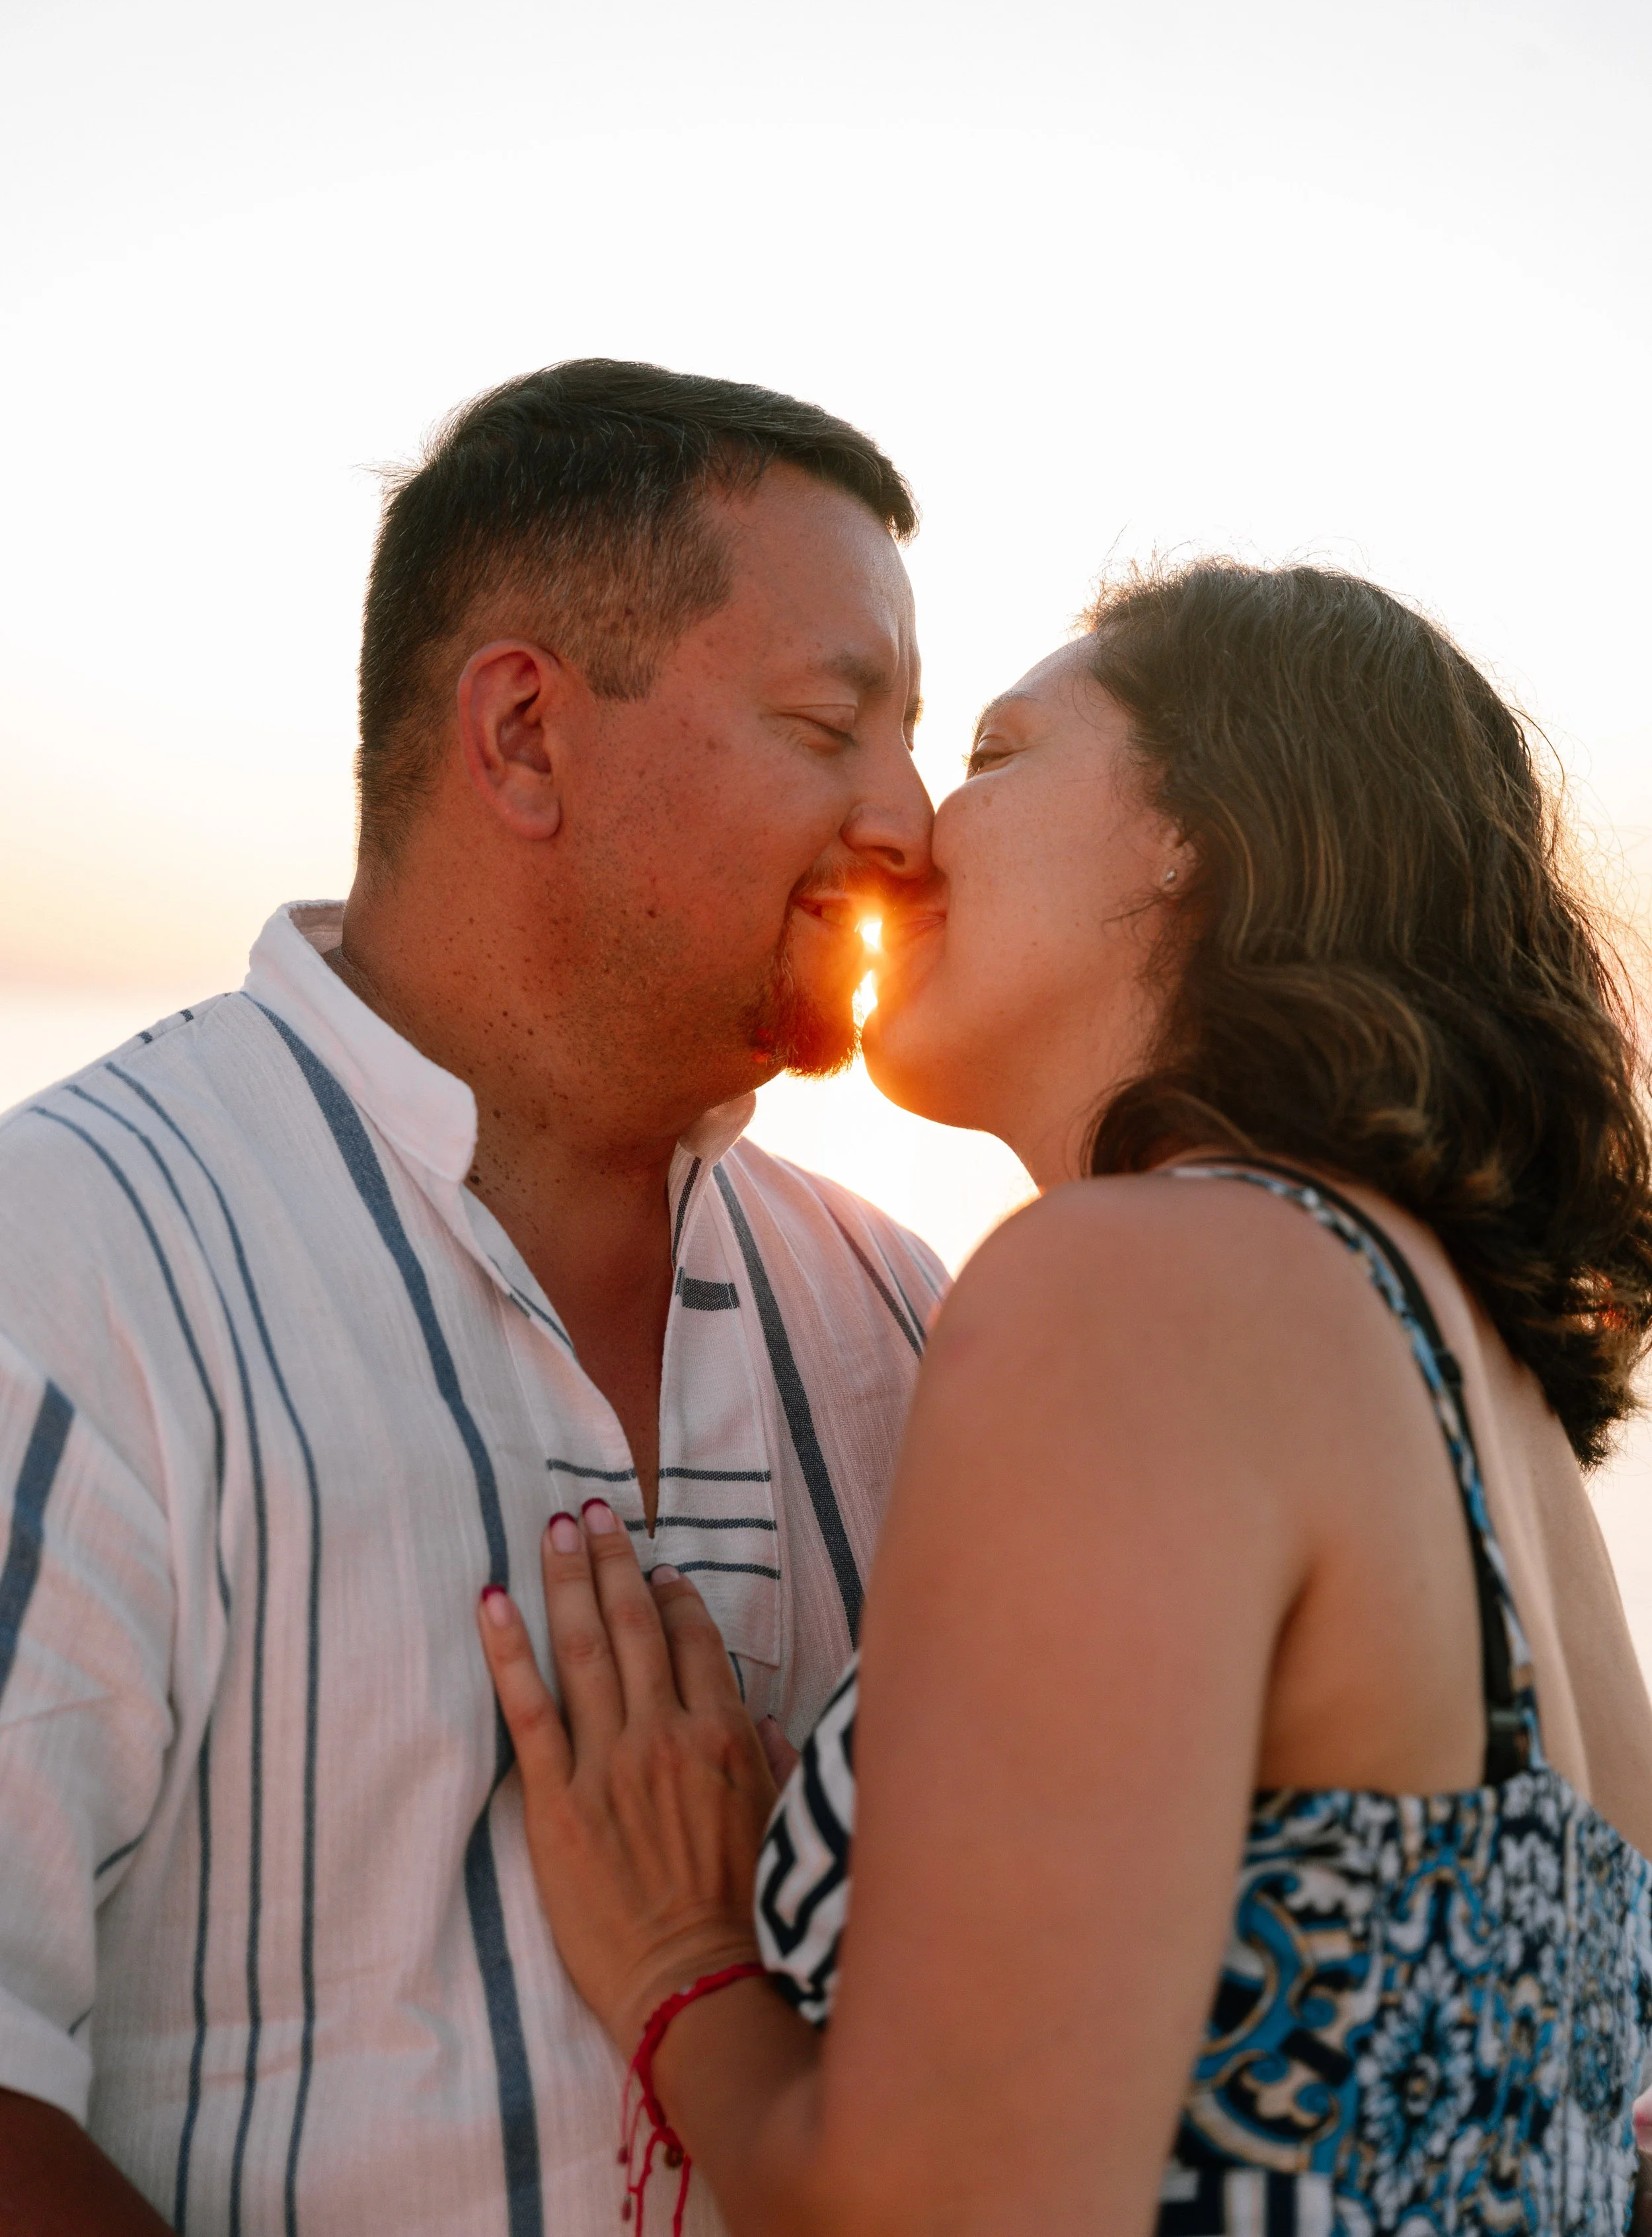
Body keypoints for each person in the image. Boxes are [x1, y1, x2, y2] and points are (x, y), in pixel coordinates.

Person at [478, 560, 1652, 2236]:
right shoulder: (1483, 1403)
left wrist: (682, 1966)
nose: (905, 831)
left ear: (1199, 832)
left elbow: (949, 2212)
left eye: (993, 753)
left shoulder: (1132, 1287)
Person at [0, 361, 946, 2234]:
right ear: (521, 735)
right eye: (831, 723)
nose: (911, 822)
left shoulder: (899, 1314)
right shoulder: (75, 1261)